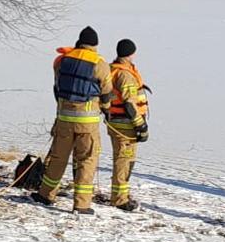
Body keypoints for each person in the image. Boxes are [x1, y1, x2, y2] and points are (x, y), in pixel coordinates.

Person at [30, 26, 115, 215]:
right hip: (87, 122)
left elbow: (57, 87)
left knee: (58, 158)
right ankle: (81, 204)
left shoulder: (63, 60)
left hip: (63, 119)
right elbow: (107, 92)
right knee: (86, 160)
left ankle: (45, 194)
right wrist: (107, 110)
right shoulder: (100, 63)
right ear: (95, 45)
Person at [103, 38, 149, 212]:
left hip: (115, 122)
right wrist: (140, 126)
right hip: (126, 126)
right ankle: (120, 199)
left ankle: (121, 194)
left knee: (122, 160)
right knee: (124, 161)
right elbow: (130, 104)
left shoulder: (111, 70)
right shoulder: (125, 75)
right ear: (132, 53)